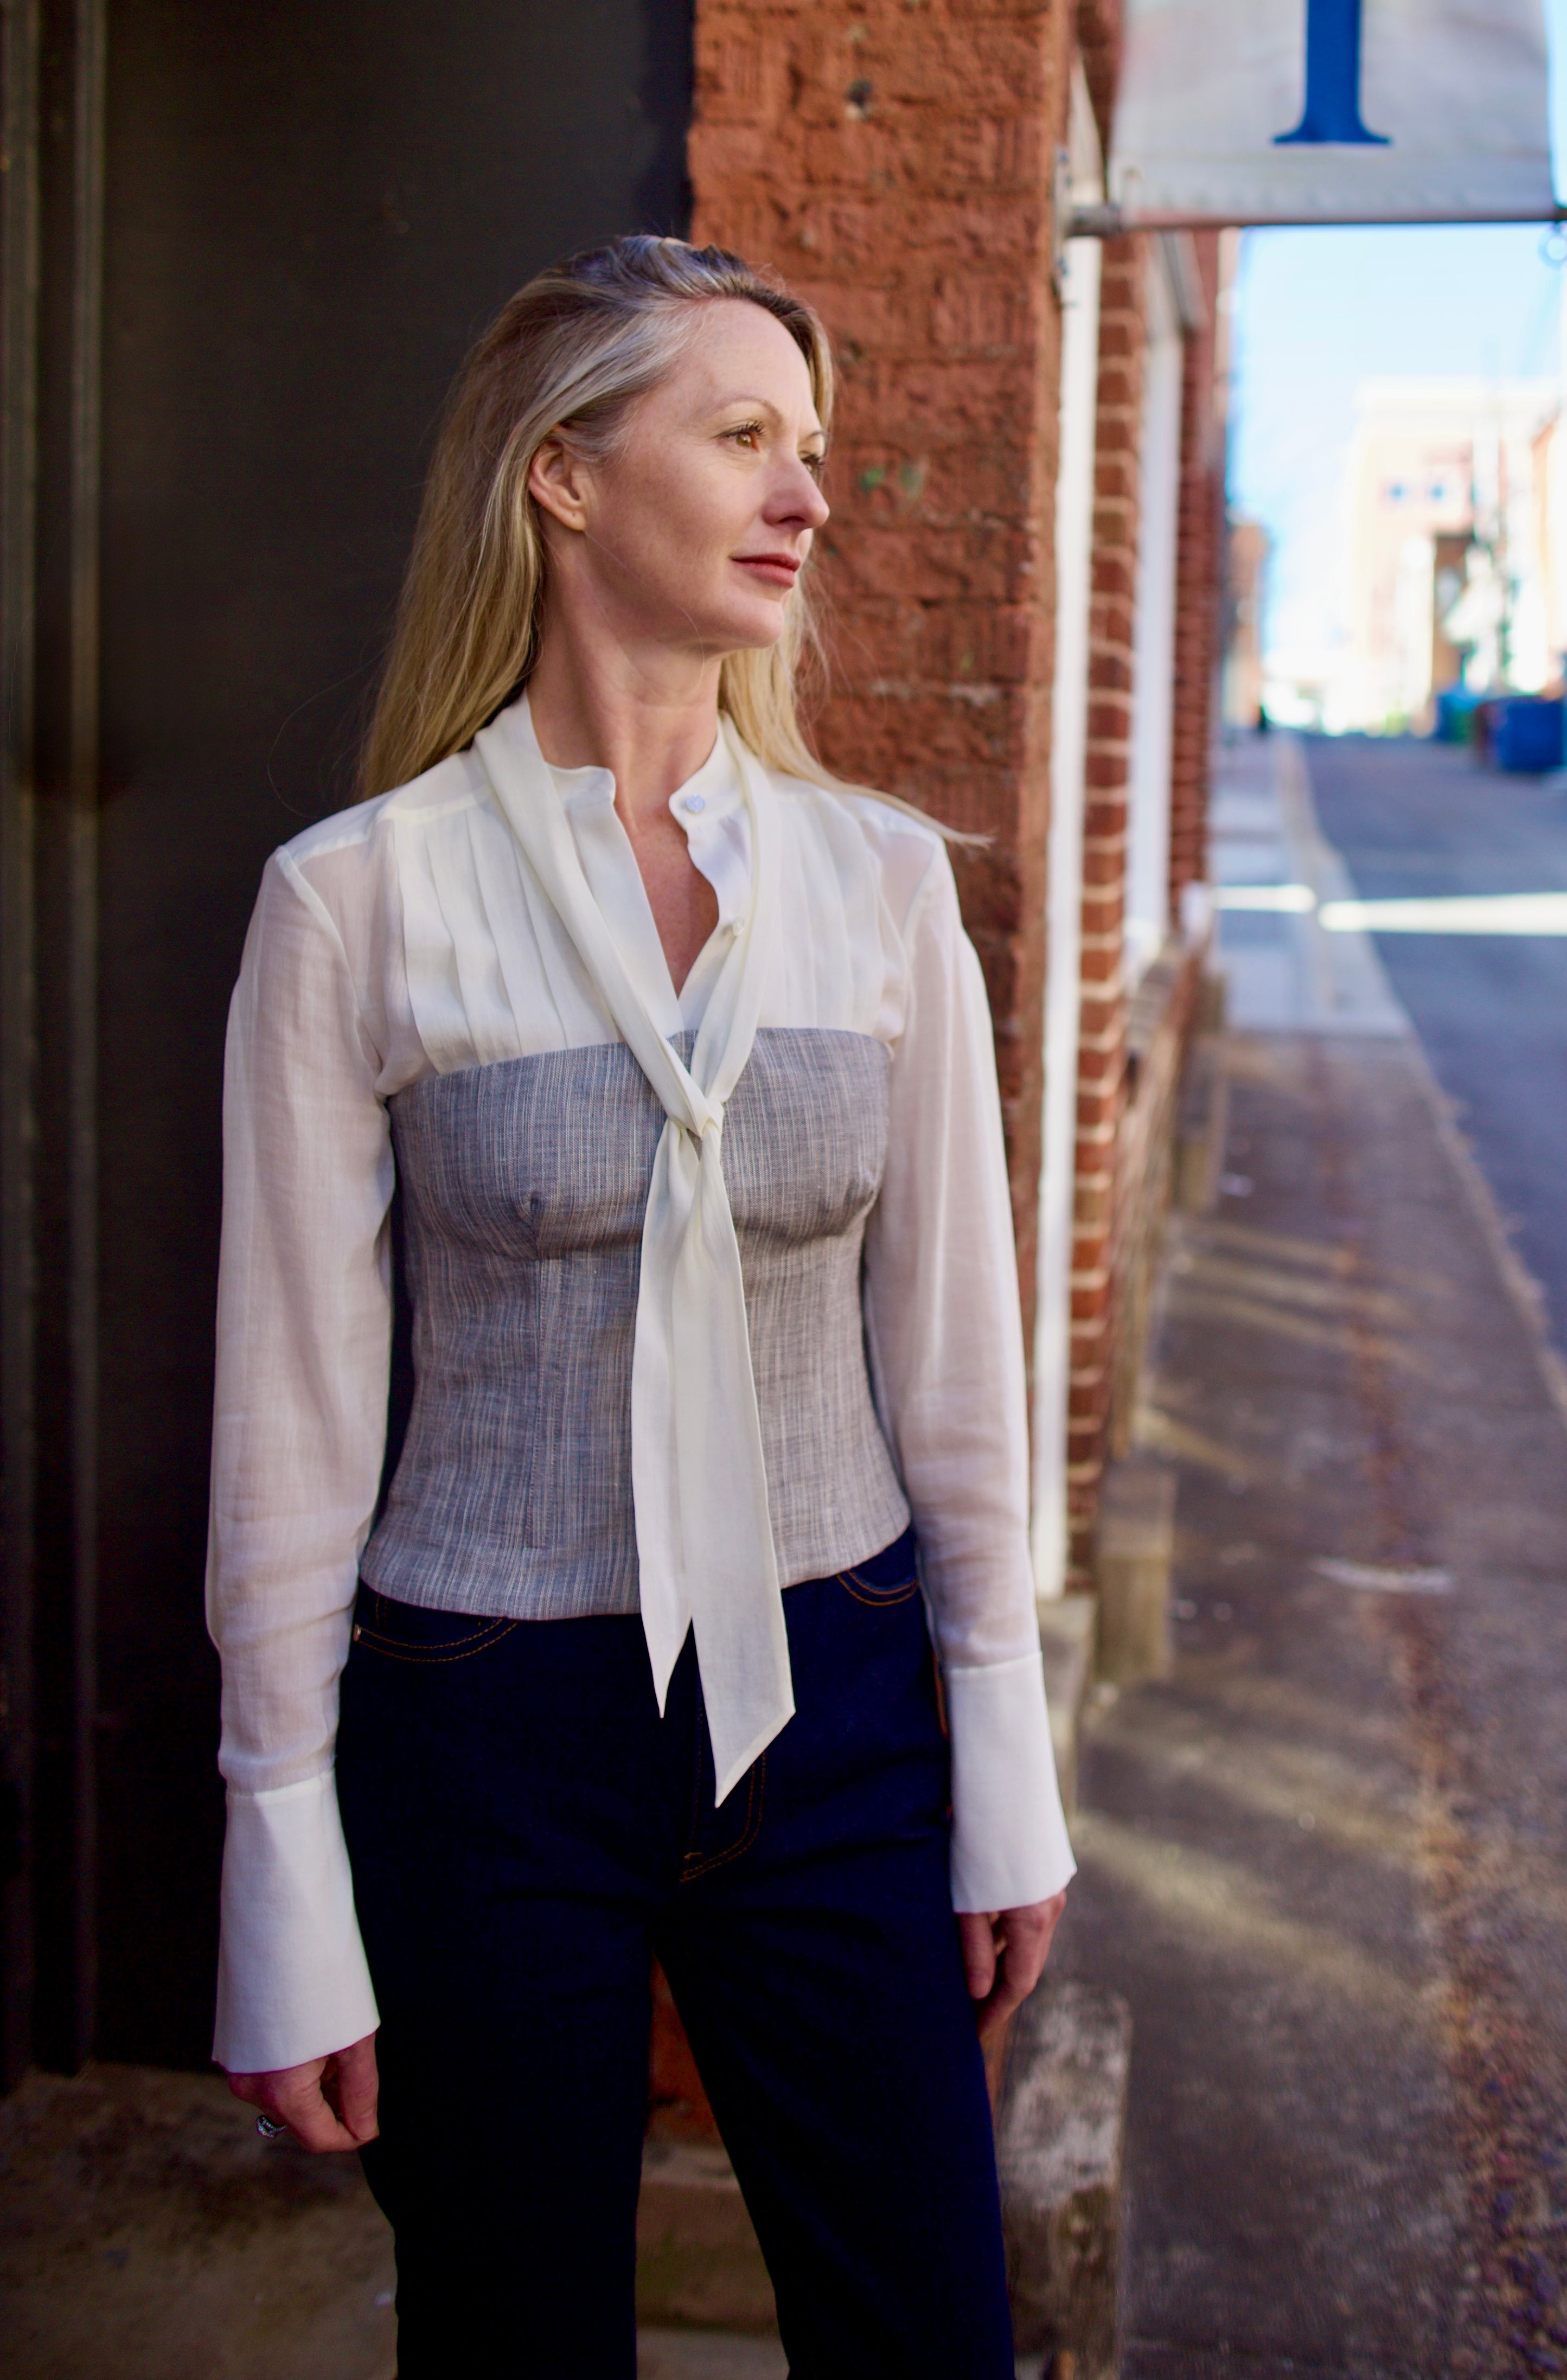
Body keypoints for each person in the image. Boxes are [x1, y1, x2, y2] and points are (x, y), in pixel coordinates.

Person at [208, 235, 1075, 2379]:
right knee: (508, 2337)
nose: (808, 494)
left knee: (926, 2331)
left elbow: (959, 1365)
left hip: (841, 1697)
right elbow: (293, 1418)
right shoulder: (361, 896)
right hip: (484, 1713)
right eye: (743, 436)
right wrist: (276, 1868)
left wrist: (1002, 1751)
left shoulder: (877, 887)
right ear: (564, 475)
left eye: (817, 450)